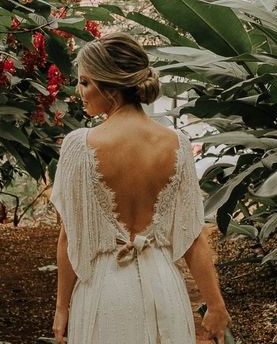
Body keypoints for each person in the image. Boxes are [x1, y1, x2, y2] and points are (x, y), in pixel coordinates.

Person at [50, 32, 232, 343]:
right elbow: (193, 239)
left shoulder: (78, 145)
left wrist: (61, 307)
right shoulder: (178, 145)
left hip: (104, 292)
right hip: (164, 287)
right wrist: (215, 305)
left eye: (85, 82)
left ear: (109, 85)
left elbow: (69, 237)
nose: (80, 92)